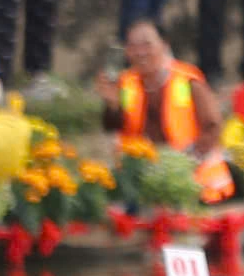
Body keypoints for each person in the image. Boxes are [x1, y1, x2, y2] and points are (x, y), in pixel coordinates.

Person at [99, 17, 232, 200]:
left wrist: (186, 160)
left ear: (164, 45)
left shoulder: (187, 79)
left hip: (193, 169)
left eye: (147, 45)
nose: (140, 53)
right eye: (132, 46)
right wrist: (112, 104)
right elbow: (112, 128)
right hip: (142, 172)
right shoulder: (124, 83)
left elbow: (213, 126)